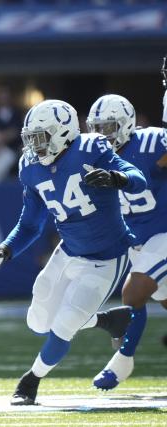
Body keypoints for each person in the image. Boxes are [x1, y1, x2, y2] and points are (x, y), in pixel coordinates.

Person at [0, 99, 146, 406]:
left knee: (64, 324)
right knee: (38, 322)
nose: (34, 146)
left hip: (106, 257)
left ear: (62, 132)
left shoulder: (91, 148)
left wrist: (116, 178)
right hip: (68, 251)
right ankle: (107, 321)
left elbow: (136, 176)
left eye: (40, 138)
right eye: (30, 139)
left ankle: (31, 380)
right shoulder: (30, 167)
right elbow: (30, 224)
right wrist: (4, 250)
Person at [87, 94, 167, 390]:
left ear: (126, 124)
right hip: (140, 243)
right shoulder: (92, 156)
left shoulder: (149, 143)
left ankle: (122, 362)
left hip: (164, 233)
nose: (102, 134)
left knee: (133, 292)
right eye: (96, 127)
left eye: (108, 126)